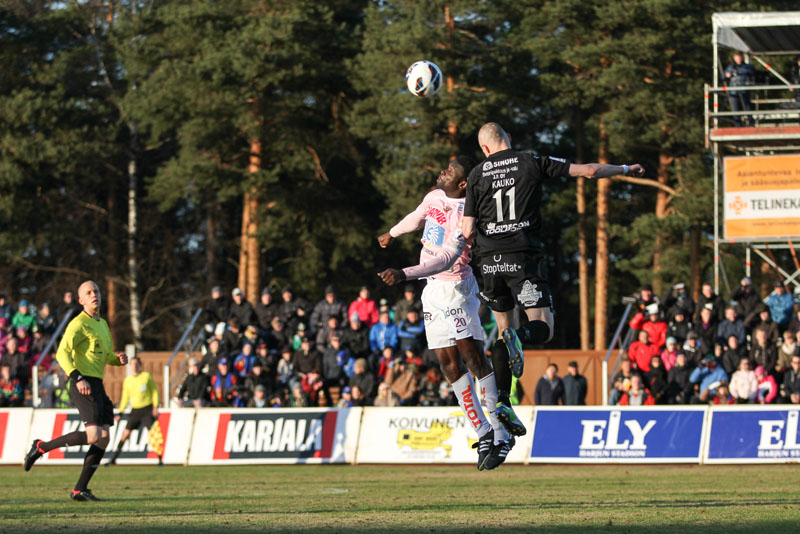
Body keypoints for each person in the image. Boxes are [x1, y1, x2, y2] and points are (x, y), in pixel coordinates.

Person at [462, 122, 643, 386]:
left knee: (503, 329)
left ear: (484, 148)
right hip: (522, 257)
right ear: (508, 138)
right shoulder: (531, 161)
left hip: (488, 262)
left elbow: (467, 229)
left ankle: (501, 401)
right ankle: (520, 337)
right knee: (543, 327)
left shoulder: (476, 174)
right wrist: (626, 168)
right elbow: (590, 171)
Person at [378, 155, 518, 470]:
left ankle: (500, 431)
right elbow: (417, 216)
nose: (445, 170)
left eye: (452, 169)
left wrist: (404, 273)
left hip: (456, 289)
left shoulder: (468, 215)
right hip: (432, 292)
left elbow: (444, 258)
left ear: (464, 183)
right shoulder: (435, 196)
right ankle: (482, 430)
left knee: (472, 358)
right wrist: (393, 233)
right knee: (447, 365)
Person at [24, 281, 128, 501]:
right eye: (88, 293)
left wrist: (117, 359)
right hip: (82, 382)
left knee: (103, 439)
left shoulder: (102, 324)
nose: (94, 295)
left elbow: (105, 355)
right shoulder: (78, 324)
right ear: (81, 300)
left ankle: (79, 489)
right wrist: (77, 377)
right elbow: (62, 353)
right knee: (94, 435)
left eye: (96, 291)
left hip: (97, 384)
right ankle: (41, 447)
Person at [106, 356, 160, 466]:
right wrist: (120, 413)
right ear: (130, 366)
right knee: (125, 435)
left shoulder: (146, 376)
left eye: (136, 364)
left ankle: (160, 459)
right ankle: (113, 459)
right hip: (135, 411)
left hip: (147, 410)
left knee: (153, 434)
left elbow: (154, 392)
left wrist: (155, 407)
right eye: (132, 364)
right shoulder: (128, 380)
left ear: (140, 365)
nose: (134, 366)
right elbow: (125, 397)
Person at [723, 51, 755, 126]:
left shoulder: (746, 67)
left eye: (739, 58)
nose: (738, 60)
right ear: (734, 58)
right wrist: (726, 75)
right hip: (733, 92)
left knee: (747, 108)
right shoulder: (731, 67)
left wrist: (738, 71)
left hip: (744, 91)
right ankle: (738, 126)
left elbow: (752, 71)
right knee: (735, 111)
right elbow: (723, 76)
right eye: (737, 58)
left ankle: (751, 124)